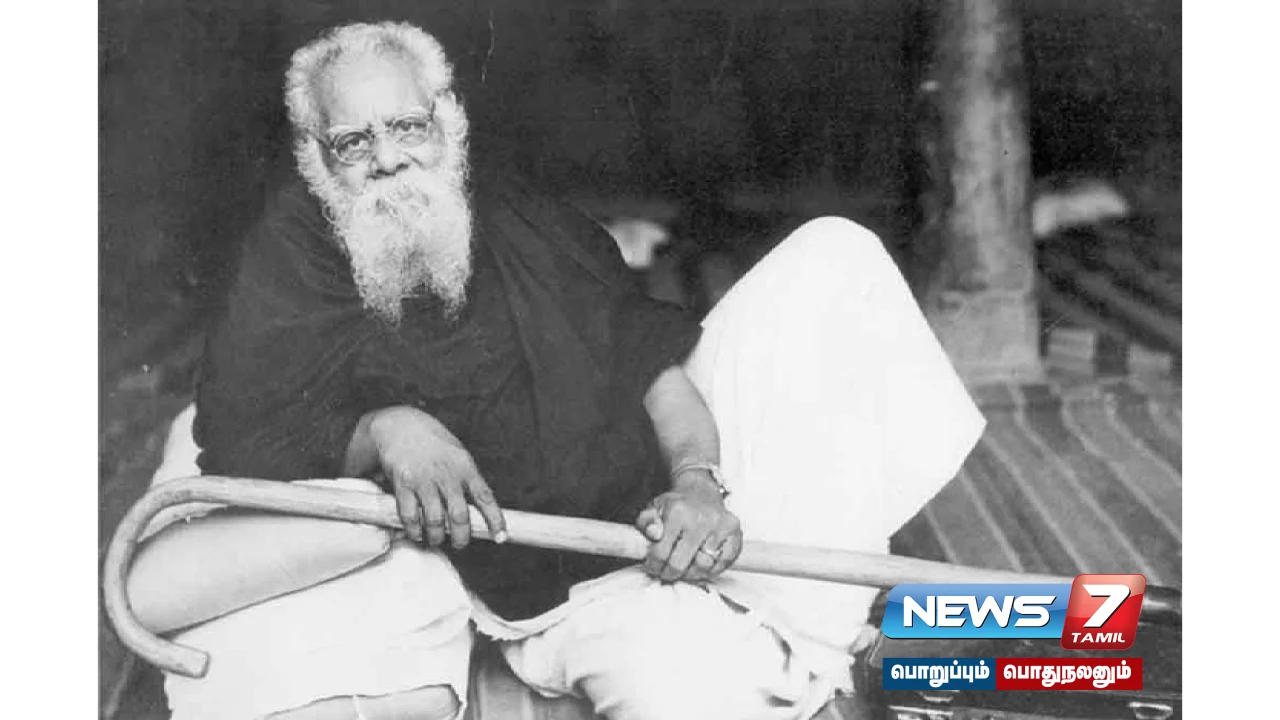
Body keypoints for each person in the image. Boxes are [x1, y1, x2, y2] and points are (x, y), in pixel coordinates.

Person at [156, 20, 986, 720]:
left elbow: (651, 368)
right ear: (316, 155)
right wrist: (385, 431)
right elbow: (241, 436)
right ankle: (795, 644)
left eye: (406, 126)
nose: (388, 158)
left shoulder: (519, 217)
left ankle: (816, 627)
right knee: (698, 693)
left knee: (835, 256)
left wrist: (698, 483)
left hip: (649, 521)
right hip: (524, 586)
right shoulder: (288, 252)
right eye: (353, 141)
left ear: (446, 121)